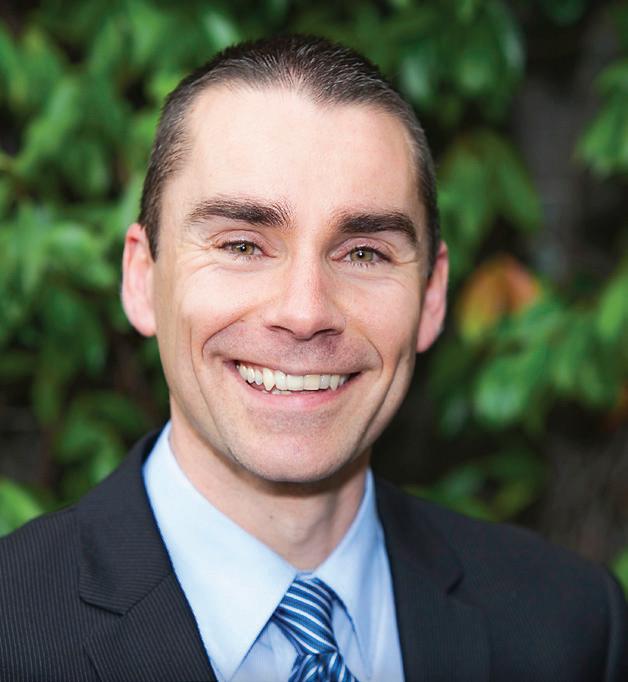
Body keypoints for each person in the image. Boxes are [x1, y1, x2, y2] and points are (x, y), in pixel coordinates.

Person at [0, 34, 626, 682]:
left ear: (431, 296)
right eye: (242, 245)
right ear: (142, 279)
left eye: (364, 253)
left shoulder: (571, 628)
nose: (305, 312)